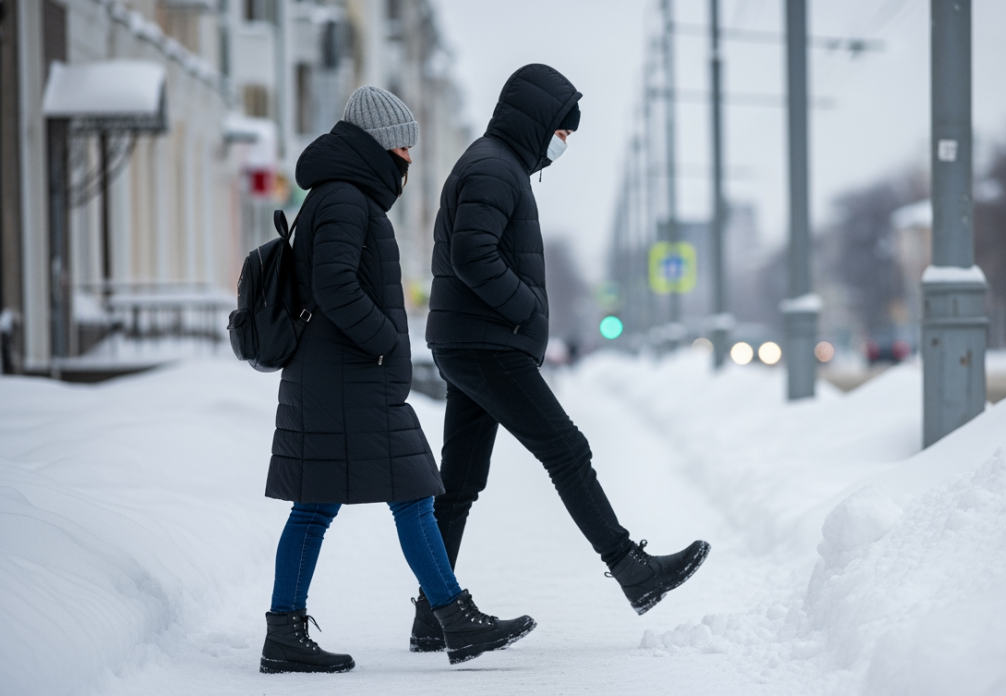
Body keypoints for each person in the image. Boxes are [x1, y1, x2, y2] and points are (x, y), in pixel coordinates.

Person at [410, 64, 710, 651]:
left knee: (460, 482)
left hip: (468, 341)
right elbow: (473, 253)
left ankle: (432, 614)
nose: (564, 143)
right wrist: (523, 306)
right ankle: (633, 572)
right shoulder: (495, 168)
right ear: (538, 121)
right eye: (563, 131)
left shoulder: (496, 163)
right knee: (567, 450)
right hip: (487, 343)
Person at [260, 86, 535, 674]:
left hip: (337, 378)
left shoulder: (343, 196)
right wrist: (386, 341)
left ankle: (286, 631)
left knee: (321, 505)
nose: (408, 156)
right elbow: (334, 285)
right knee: (413, 492)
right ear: (378, 145)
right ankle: (453, 616)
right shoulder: (343, 199)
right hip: (348, 377)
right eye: (403, 144)